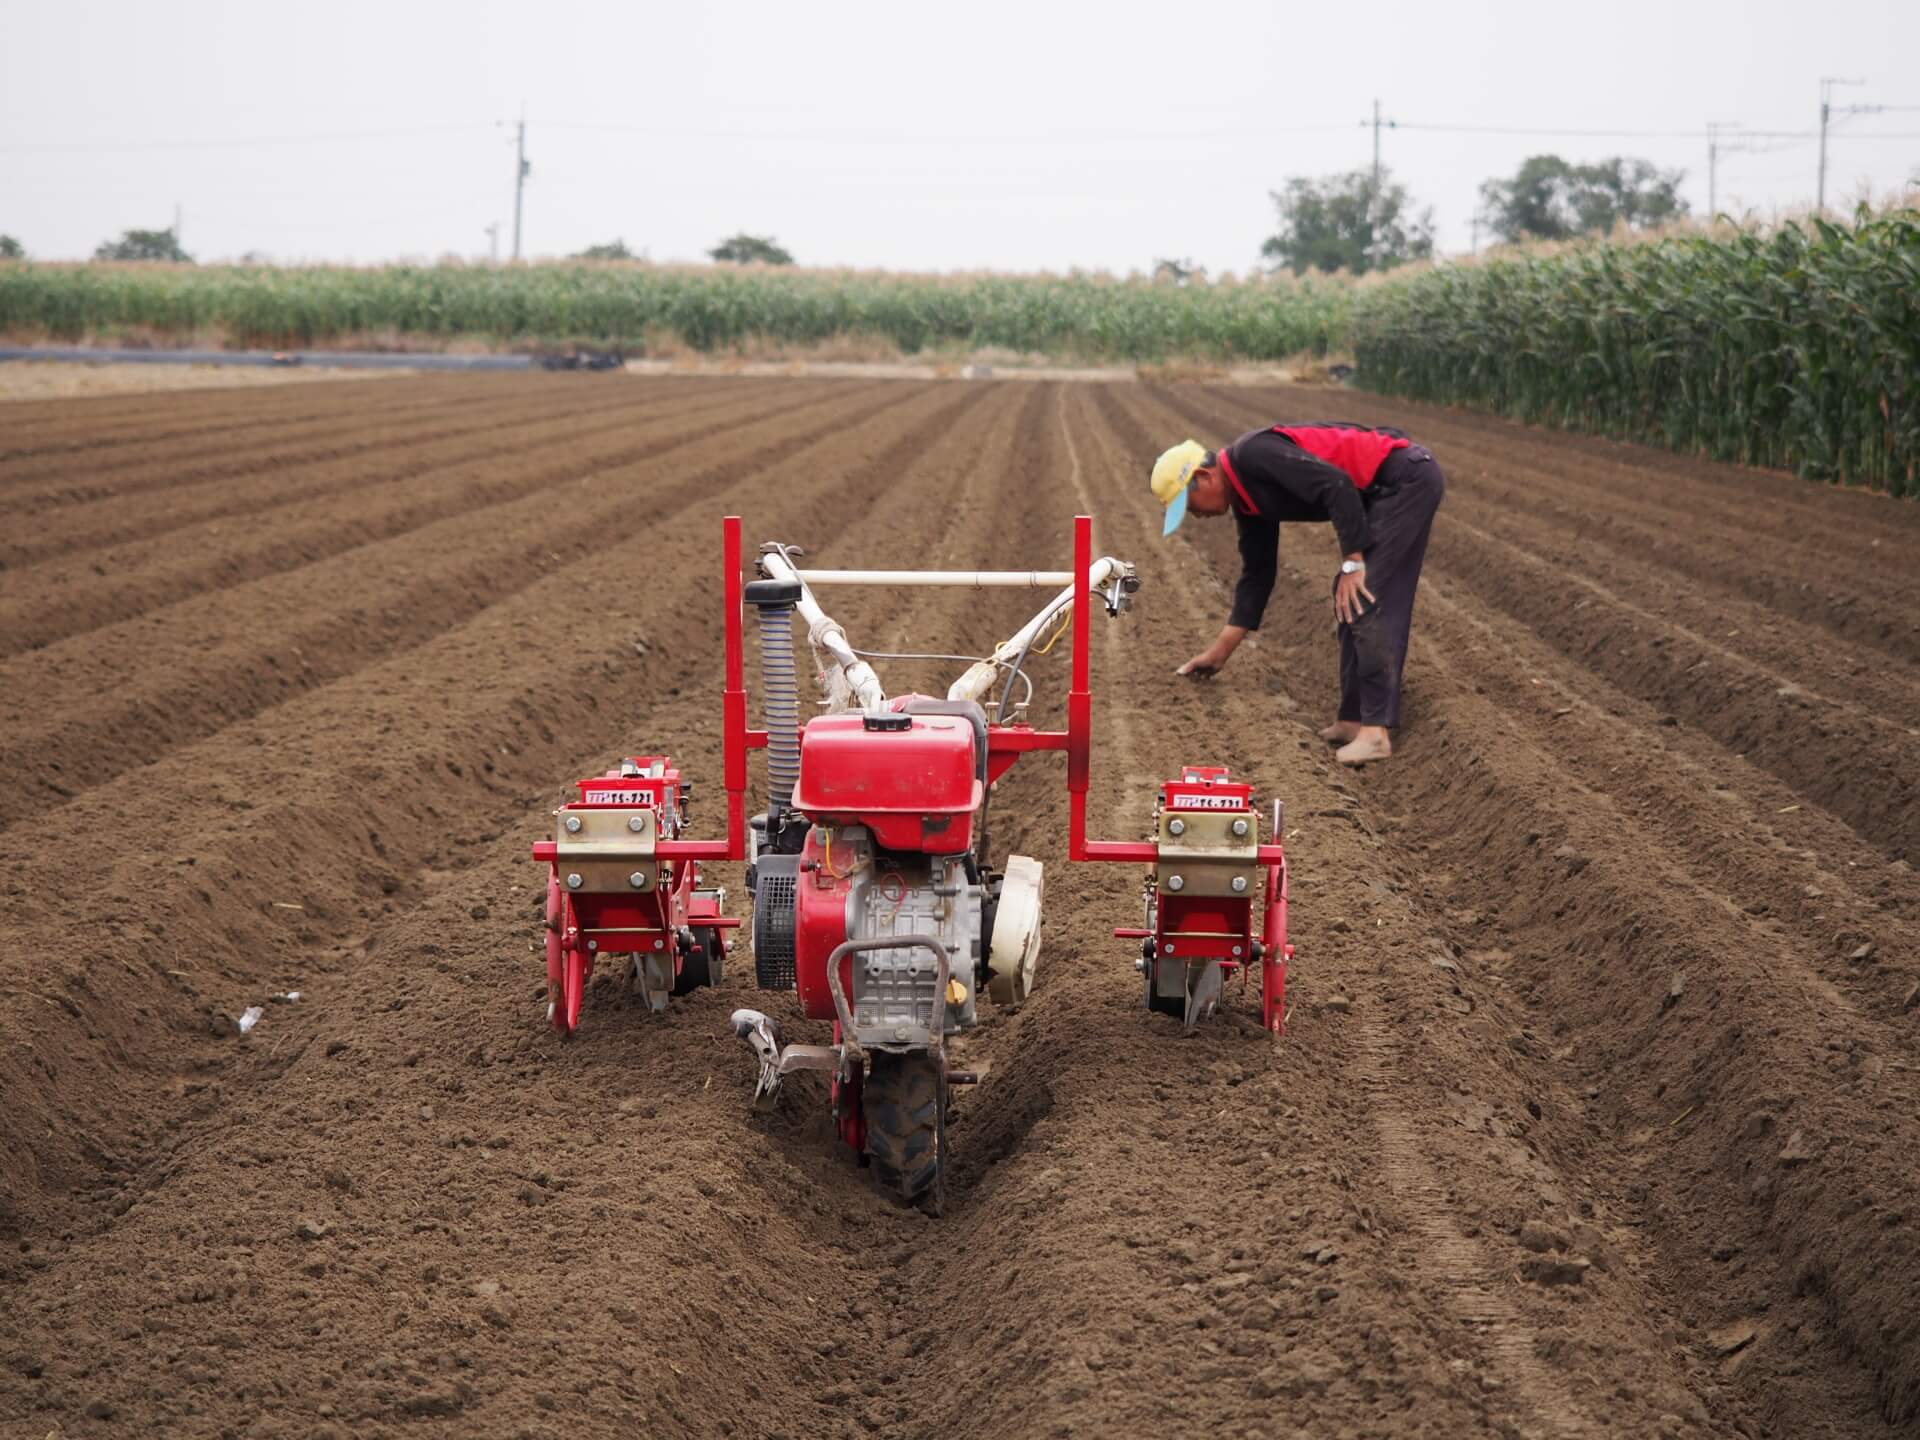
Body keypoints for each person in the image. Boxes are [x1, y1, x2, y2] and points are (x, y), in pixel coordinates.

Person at [1149, 422, 1445, 765]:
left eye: (1189, 505)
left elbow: (1337, 484)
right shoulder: (1246, 499)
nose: (1195, 515)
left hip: (1405, 478)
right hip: (1382, 490)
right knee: (1349, 595)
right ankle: (1352, 721)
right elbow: (1258, 575)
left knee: (1364, 595)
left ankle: (1375, 733)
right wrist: (1219, 653)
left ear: (1205, 477)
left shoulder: (1253, 456)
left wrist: (1353, 562)